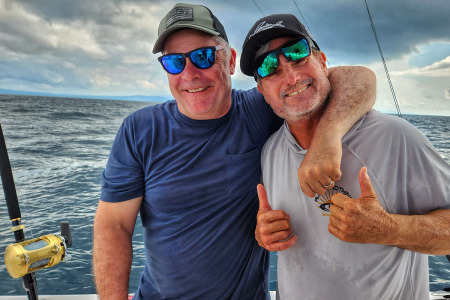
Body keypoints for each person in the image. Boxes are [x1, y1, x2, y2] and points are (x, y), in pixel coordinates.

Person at [93, 3, 376, 300]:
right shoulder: (139, 130)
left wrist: (326, 140)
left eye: (203, 57)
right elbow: (114, 224)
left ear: (229, 61)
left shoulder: (259, 109)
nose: (190, 74)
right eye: (175, 62)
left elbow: (356, 78)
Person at [242, 13, 450, 300]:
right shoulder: (271, 150)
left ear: (324, 62)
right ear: (262, 92)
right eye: (269, 68)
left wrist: (390, 229)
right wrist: (265, 233)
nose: (291, 76)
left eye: (298, 54)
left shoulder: (397, 138)